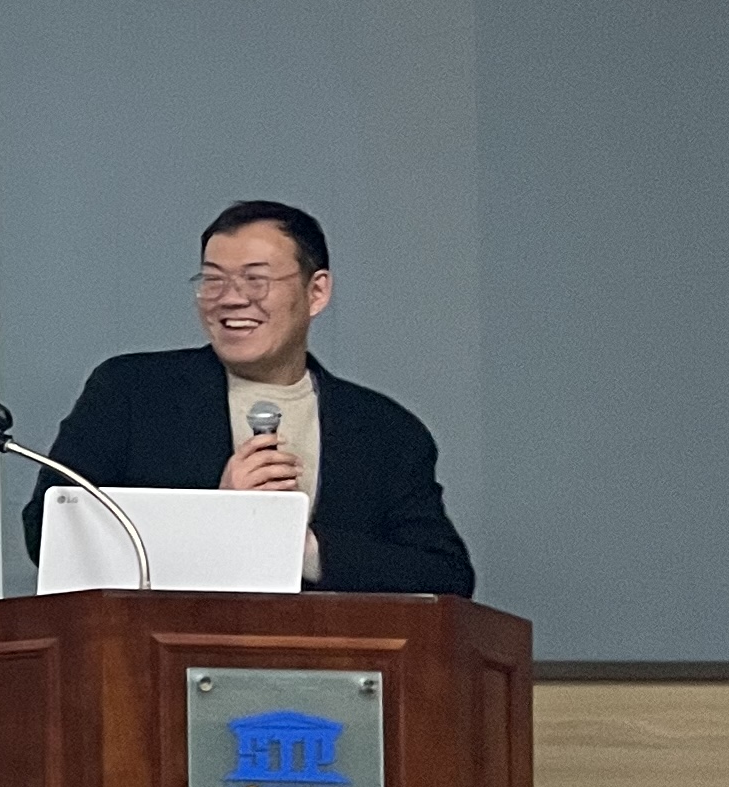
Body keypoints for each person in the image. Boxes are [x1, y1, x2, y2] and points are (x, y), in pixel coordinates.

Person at [34, 199, 476, 596]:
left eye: (256, 280)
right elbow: (48, 531)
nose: (231, 299)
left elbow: (445, 576)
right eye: (213, 280)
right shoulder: (132, 392)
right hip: (163, 649)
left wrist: (300, 548)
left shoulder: (385, 431)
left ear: (316, 292)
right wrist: (221, 520)